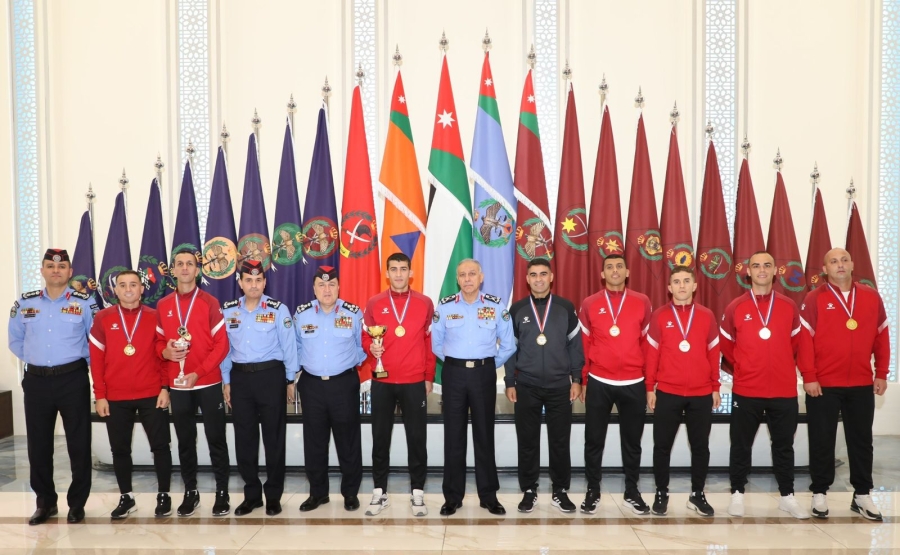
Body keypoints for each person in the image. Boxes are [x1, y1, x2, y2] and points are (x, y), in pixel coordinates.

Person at [799, 248, 890, 521]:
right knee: (821, 440)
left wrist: (881, 372)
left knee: (861, 440)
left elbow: (882, 336)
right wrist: (809, 376)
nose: (840, 264)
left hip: (861, 382)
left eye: (844, 260)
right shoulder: (814, 298)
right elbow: (804, 340)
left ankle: (862, 494)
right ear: (824, 269)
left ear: (852, 265)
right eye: (833, 261)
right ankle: (819, 492)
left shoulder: (871, 297)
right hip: (823, 384)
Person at [8, 248, 97, 525]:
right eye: (50, 266)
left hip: (73, 380)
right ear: (42, 271)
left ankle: (77, 504)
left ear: (70, 272)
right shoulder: (25, 303)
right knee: (39, 446)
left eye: (61, 266)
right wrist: (38, 361)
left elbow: (95, 342)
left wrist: (74, 365)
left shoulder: (84, 303)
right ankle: (45, 503)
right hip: (36, 382)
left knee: (79, 444)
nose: (55, 270)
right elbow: (15, 341)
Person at [720, 251, 810, 519]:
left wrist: (780, 365)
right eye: (756, 265)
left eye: (767, 265)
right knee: (740, 444)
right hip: (747, 389)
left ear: (775, 271)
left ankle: (787, 496)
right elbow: (726, 345)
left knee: (784, 445)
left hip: (783, 389)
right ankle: (737, 494)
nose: (761, 270)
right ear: (748, 272)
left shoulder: (788, 306)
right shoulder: (735, 306)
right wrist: (744, 366)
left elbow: (795, 344)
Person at [432, 258, 515, 516]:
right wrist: (457, 362)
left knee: (484, 435)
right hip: (454, 375)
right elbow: (436, 344)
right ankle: (452, 497)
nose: (467, 279)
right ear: (457, 279)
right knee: (453, 436)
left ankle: (488, 496)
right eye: (462, 275)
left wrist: (487, 364)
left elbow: (509, 345)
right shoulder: (445, 307)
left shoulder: (496, 306)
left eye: (472, 274)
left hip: (483, 374)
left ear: (481, 277)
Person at [89, 270, 172, 519]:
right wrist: (100, 395)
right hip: (115, 396)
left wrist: (165, 387)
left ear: (141, 289)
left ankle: (164, 495)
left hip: (152, 393)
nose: (128, 289)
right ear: (115, 290)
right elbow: (96, 359)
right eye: (122, 285)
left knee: (161, 446)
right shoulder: (102, 318)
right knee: (120, 449)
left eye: (133, 284)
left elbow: (164, 356)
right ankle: (126, 497)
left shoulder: (155, 316)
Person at [505, 257, 584, 514]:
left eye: (543, 274)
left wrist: (576, 379)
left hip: (560, 386)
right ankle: (529, 490)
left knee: (560, 441)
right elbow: (510, 350)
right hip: (526, 385)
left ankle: (560, 491)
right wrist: (510, 381)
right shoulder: (517, 309)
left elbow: (575, 346)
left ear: (551, 277)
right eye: (533, 275)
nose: (538, 279)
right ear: (527, 279)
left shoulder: (565, 307)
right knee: (527, 441)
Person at [155, 248, 230, 517]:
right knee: (185, 441)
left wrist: (199, 372)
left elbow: (222, 345)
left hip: (207, 383)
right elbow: (158, 343)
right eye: (180, 264)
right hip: (178, 386)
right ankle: (190, 491)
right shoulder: (163, 305)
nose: (185, 268)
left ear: (197, 270)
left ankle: (222, 492)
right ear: (173, 270)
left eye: (190, 264)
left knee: (216, 439)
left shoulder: (209, 302)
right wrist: (165, 353)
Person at [221, 259, 298, 517]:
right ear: (240, 283)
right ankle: (252, 495)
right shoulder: (229, 311)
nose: (253, 285)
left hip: (270, 377)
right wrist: (226, 380)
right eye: (248, 280)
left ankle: (273, 496)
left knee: (274, 438)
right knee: (245, 439)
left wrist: (289, 381)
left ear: (265, 282)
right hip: (240, 379)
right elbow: (224, 349)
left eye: (258, 280)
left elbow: (289, 346)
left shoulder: (278, 310)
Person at [578, 253, 652, 515]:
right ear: (602, 274)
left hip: (634, 381)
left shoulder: (642, 302)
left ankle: (632, 491)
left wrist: (649, 383)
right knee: (593, 440)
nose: (615, 270)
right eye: (609, 267)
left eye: (619, 266)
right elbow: (585, 344)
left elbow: (648, 345)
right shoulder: (589, 303)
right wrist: (584, 379)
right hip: (599, 380)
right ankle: (592, 490)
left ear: (627, 272)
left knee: (632, 442)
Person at [362, 253, 435, 517]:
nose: (399, 274)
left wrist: (428, 376)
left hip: (414, 381)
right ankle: (379, 491)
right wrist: (371, 348)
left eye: (403, 269)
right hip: (382, 380)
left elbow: (430, 342)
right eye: (394, 269)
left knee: (417, 439)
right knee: (380, 438)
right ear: (387, 273)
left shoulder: (425, 303)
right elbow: (365, 337)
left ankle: (418, 492)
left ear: (410, 273)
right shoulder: (375, 302)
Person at [645, 266, 720, 517]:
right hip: (668, 391)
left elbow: (714, 353)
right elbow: (652, 354)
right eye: (676, 282)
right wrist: (650, 387)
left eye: (686, 281)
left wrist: (715, 386)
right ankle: (661, 492)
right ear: (669, 287)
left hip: (701, 393)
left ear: (695, 285)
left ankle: (697, 494)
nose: (682, 286)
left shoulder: (707, 315)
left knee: (700, 446)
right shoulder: (659, 315)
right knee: (662, 446)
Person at [293, 266, 366, 512]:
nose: (327, 290)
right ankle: (318, 493)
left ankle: (350, 493)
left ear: (338, 287)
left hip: (343, 384)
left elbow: (362, 347)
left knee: (348, 441)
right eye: (322, 285)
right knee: (314, 442)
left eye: (332, 284)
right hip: (312, 385)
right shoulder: (302, 314)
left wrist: (344, 366)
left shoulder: (353, 313)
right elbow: (296, 347)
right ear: (314, 289)